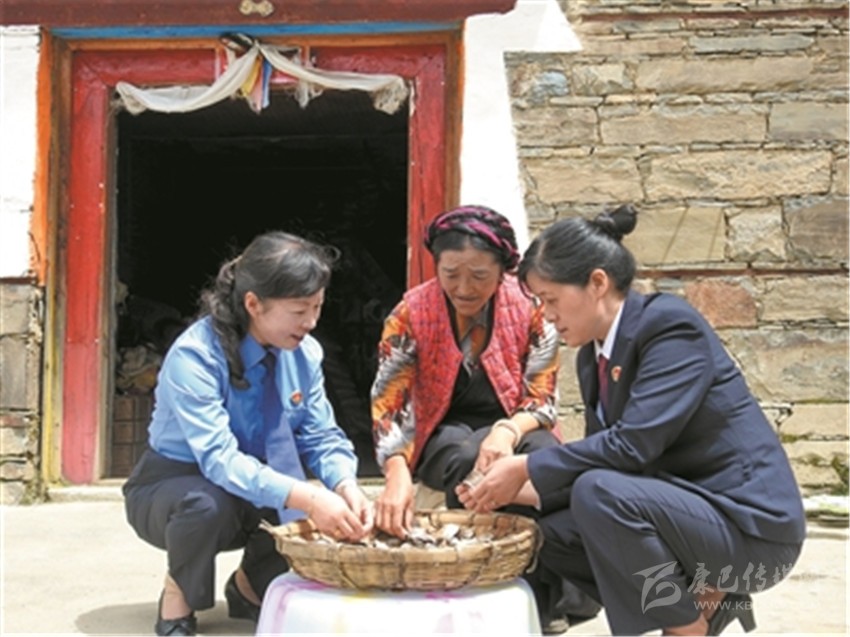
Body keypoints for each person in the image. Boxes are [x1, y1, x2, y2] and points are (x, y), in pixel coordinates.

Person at [457, 205, 807, 636]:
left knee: (599, 493)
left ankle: (685, 626)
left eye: (551, 299)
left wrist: (527, 466)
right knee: (552, 533)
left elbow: (632, 446)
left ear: (597, 283)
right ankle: (691, 604)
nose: (546, 315)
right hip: (689, 522)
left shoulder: (670, 327)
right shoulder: (592, 359)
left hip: (753, 537)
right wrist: (510, 490)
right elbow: (606, 460)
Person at [122, 231, 374, 637]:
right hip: (174, 485)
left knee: (295, 503)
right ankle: (177, 596)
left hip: (256, 477)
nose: (311, 322)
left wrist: (346, 486)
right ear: (253, 304)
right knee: (208, 504)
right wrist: (309, 496)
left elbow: (321, 435)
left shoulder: (306, 353)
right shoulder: (195, 356)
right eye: (299, 310)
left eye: (317, 307)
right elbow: (219, 460)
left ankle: (248, 588)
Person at [370, 204, 600, 633]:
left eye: (479, 275)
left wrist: (507, 430)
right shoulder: (409, 314)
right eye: (451, 273)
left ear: (503, 269)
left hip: (519, 422)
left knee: (543, 462)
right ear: (436, 267)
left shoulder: (532, 307)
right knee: (467, 459)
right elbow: (390, 403)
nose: (463, 287)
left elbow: (542, 398)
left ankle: (542, 595)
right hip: (443, 430)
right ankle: (481, 588)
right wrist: (396, 471)